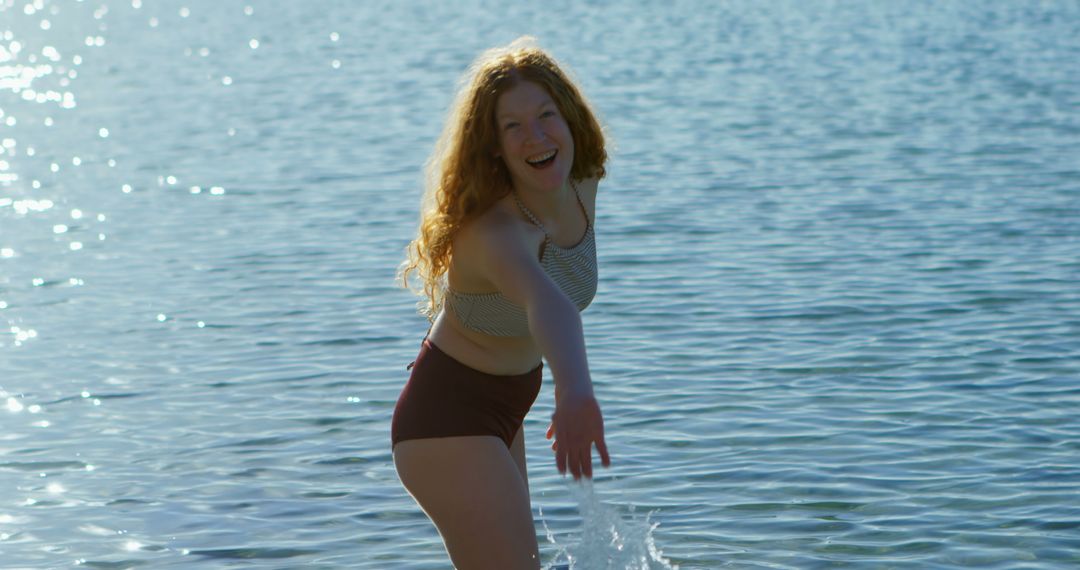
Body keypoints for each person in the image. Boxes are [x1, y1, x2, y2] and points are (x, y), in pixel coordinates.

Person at [392, 36, 611, 569]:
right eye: (512, 126)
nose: (535, 136)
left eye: (545, 115)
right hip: (447, 416)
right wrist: (575, 394)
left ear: (569, 117)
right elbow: (549, 305)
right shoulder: (493, 233)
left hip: (506, 409)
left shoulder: (583, 184)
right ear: (492, 145)